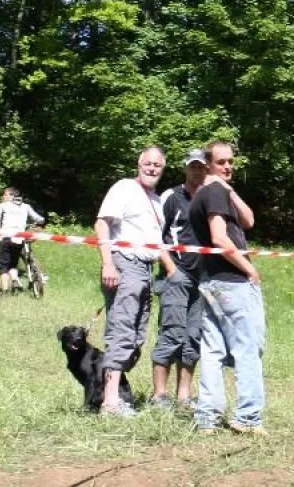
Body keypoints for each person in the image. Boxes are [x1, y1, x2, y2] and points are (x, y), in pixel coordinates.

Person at [189, 141, 266, 435]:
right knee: (248, 348)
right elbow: (220, 238)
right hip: (231, 281)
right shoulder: (214, 192)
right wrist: (249, 268)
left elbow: (248, 220)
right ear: (208, 165)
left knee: (212, 351)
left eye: (231, 162)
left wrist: (228, 188)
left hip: (209, 281)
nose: (228, 167)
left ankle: (206, 417)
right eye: (221, 162)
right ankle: (247, 417)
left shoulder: (208, 194)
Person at [94, 146, 166, 417]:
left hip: (146, 270)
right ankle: (110, 402)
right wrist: (108, 262)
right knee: (122, 330)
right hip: (125, 263)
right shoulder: (124, 188)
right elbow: (101, 224)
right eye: (148, 163)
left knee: (137, 338)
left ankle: (110, 393)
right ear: (138, 164)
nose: (152, 168)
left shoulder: (156, 200)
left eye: (157, 165)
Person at [147, 148, 209, 410]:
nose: (196, 170)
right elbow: (155, 235)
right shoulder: (170, 196)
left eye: (201, 166)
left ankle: (183, 396)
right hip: (177, 275)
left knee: (193, 337)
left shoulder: (210, 197)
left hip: (203, 279)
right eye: (192, 166)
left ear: (207, 169)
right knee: (171, 334)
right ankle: (159, 395)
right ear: (185, 168)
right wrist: (170, 268)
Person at [0, 187, 45, 294]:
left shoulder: (2, 206)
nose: (3, 197)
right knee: (13, 264)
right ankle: (15, 279)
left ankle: (5, 291)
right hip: (19, 240)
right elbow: (40, 219)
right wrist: (33, 224)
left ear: (11, 196)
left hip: (5, 238)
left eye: (5, 195)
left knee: (3, 266)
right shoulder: (26, 207)